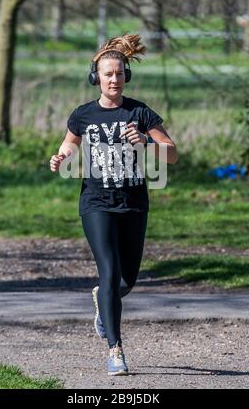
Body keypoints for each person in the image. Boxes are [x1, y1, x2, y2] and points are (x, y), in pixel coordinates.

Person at [49, 34, 178, 376]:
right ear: (96, 78)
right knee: (108, 272)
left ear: (126, 76)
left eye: (119, 74)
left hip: (134, 203)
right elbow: (68, 147)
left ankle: (103, 303)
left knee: (126, 280)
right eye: (108, 74)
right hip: (96, 203)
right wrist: (61, 159)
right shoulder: (83, 115)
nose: (114, 80)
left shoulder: (140, 112)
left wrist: (148, 140)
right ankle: (115, 350)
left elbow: (173, 154)